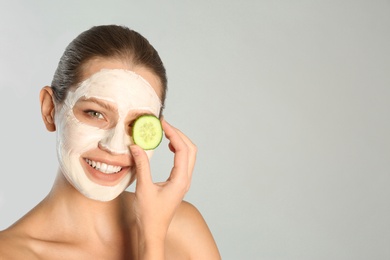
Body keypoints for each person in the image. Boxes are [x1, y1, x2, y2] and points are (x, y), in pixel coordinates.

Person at [0, 25, 221, 259]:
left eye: (136, 124)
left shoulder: (184, 228)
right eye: (95, 113)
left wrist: (153, 234)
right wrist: (152, 241)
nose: (114, 146)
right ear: (49, 109)